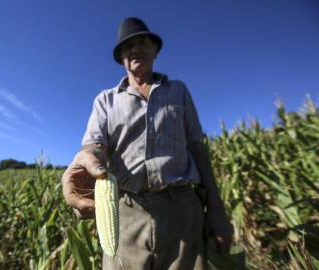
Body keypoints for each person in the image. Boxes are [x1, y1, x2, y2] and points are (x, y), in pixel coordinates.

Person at [62, 17, 233, 270]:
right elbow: (95, 144)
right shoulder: (105, 101)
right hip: (126, 212)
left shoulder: (178, 91)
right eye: (127, 46)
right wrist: (87, 156)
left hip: (183, 211)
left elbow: (197, 148)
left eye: (142, 42)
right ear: (121, 57)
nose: (135, 49)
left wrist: (216, 210)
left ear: (155, 49)